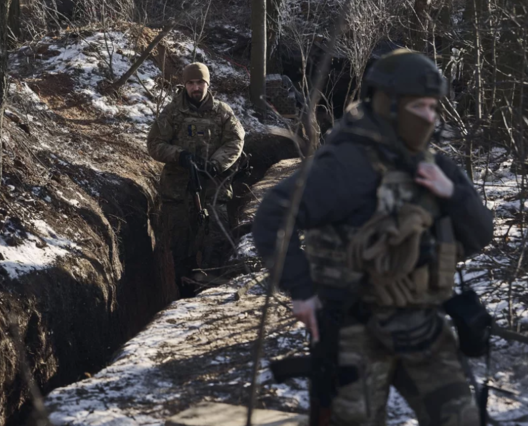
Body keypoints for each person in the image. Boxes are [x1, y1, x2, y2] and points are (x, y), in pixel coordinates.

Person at [252, 49, 494, 425]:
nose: (431, 118)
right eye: (422, 108)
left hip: (421, 325)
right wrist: (301, 291)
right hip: (353, 331)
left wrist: (453, 193)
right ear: (390, 105)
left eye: (435, 108)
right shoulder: (345, 165)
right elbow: (271, 216)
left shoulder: (433, 164)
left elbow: (480, 234)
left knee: (462, 418)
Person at [147, 63, 246, 296]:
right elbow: (154, 144)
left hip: (213, 189)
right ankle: (185, 293)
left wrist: (215, 164)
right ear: (185, 85)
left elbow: (235, 141)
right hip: (179, 192)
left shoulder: (222, 112)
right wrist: (180, 156)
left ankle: (212, 291)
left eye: (200, 83)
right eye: (191, 83)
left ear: (207, 84)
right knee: (181, 246)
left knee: (217, 242)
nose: (195, 87)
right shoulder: (172, 113)